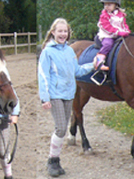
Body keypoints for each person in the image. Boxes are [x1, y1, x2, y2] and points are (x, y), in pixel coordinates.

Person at [38, 18, 94, 177]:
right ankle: (52, 161)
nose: (62, 34)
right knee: (61, 128)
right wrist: (45, 97)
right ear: (53, 32)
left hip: (69, 95)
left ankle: (55, 159)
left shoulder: (69, 51)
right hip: (55, 95)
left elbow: (77, 71)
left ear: (68, 33)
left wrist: (93, 65)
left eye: (65, 31)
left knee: (62, 128)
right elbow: (43, 75)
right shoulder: (48, 52)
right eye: (60, 31)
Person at [93, 0, 131, 70]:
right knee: (108, 44)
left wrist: (126, 31)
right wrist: (117, 32)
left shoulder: (121, 15)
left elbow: (124, 24)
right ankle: (99, 62)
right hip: (107, 35)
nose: (106, 7)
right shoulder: (104, 15)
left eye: (109, 4)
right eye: (105, 4)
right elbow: (105, 26)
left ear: (116, 5)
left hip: (118, 34)